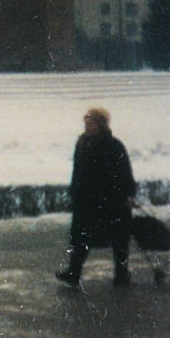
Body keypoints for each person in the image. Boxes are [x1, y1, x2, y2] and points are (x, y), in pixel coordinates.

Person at [56, 106, 137, 288]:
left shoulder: (114, 145)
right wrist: (74, 191)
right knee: (80, 237)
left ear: (101, 124)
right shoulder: (82, 143)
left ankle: (121, 275)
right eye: (86, 123)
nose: (87, 126)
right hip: (86, 199)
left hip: (111, 199)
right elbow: (77, 171)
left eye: (91, 123)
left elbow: (125, 171)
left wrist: (129, 194)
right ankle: (73, 273)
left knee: (118, 239)